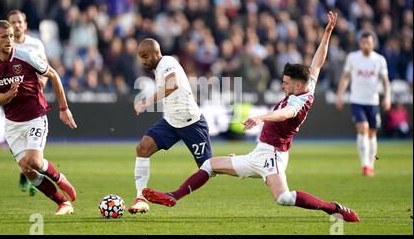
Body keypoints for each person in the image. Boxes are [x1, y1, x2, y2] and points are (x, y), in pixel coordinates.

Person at [142, 12, 360, 223]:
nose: (282, 85)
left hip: (272, 156)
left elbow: (285, 113)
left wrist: (260, 118)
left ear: (297, 85)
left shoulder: (299, 101)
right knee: (210, 164)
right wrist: (328, 32)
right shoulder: (306, 87)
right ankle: (174, 196)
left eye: (285, 82)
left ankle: (333, 208)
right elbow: (317, 64)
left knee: (283, 198)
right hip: (258, 153)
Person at [0, 20, 77, 215]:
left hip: (35, 116)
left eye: (10, 36)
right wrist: (8, 95)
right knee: (27, 169)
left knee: (33, 160)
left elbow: (54, 75)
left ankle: (59, 178)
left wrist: (63, 108)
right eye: (4, 37)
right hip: (12, 124)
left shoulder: (25, 56)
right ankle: (63, 203)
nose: (9, 40)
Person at [129, 38, 212, 214]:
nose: (143, 60)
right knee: (142, 148)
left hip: (192, 123)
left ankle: (233, 162)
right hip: (171, 122)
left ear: (156, 53)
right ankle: (140, 198)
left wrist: (147, 101)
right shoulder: (158, 68)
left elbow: (172, 84)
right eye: (140, 57)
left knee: (209, 167)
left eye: (145, 56)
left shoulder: (167, 61)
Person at [0, 10, 50, 196]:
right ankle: (27, 172)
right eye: (13, 22)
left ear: (25, 24)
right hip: (12, 102)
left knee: (34, 147)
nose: (16, 25)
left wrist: (42, 83)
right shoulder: (1, 45)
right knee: (22, 144)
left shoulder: (35, 44)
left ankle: (30, 172)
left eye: (19, 22)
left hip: (32, 99)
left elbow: (46, 67)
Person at [336, 30, 391, 177]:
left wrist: (387, 97)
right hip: (357, 100)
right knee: (362, 128)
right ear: (360, 43)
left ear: (373, 43)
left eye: (368, 42)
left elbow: (385, 81)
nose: (365, 45)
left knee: (372, 133)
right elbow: (345, 77)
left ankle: (371, 164)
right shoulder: (353, 58)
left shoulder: (379, 60)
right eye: (363, 42)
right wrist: (340, 94)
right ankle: (365, 165)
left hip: (372, 101)